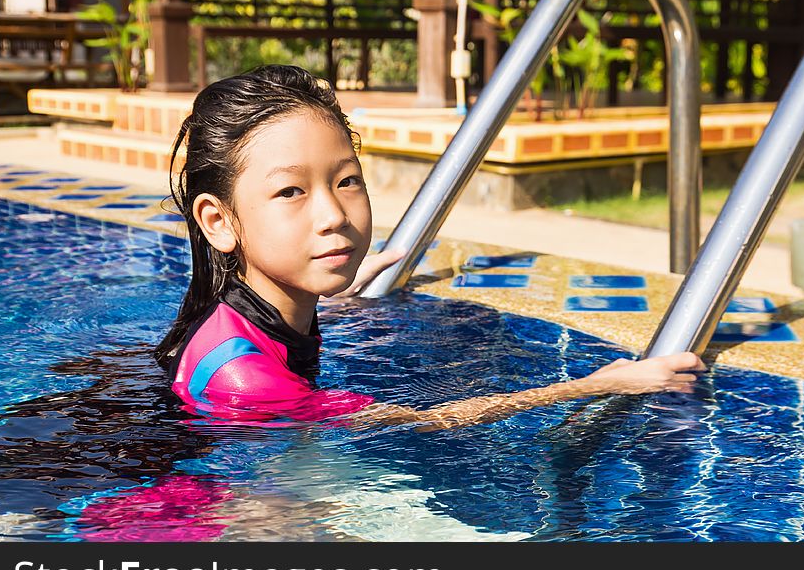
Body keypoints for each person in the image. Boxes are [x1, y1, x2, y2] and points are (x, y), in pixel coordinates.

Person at [154, 65, 705, 432]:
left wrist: (341, 284)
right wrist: (599, 384)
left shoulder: (249, 311)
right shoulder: (249, 383)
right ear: (218, 221)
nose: (333, 215)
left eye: (346, 180)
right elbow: (429, 421)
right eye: (291, 192)